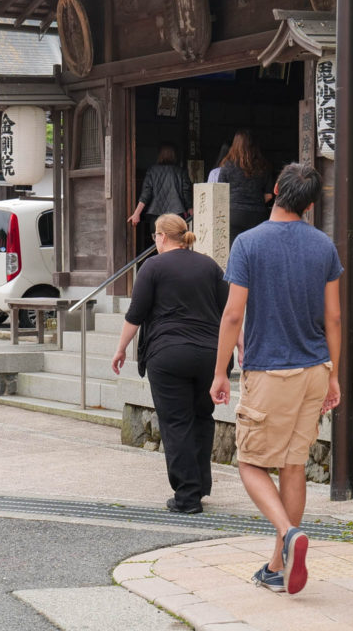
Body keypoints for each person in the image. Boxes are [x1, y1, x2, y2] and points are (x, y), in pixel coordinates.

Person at [210, 163, 342, 595]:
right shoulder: (324, 246)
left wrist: (220, 371)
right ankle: (276, 566)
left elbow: (233, 314)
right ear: (308, 204)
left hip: (270, 370)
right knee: (294, 464)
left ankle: (288, 534)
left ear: (274, 191)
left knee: (249, 462)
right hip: (315, 368)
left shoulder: (249, 243)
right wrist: (335, 375)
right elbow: (335, 317)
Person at [112, 213, 229, 514]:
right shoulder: (209, 266)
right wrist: (237, 350)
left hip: (168, 356)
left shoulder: (152, 267)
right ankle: (200, 485)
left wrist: (121, 348)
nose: (155, 240)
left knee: (177, 422)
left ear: (162, 237)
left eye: (154, 236)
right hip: (209, 355)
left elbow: (135, 314)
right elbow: (229, 313)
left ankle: (187, 497)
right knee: (202, 417)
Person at [216, 130, 273, 244]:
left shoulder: (226, 165)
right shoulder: (263, 166)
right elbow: (269, 195)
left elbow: (219, 193)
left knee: (234, 250)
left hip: (233, 214)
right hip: (257, 215)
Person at [128, 144, 193, 242]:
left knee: (159, 246)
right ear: (175, 156)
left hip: (156, 216)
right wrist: (190, 209)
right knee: (175, 245)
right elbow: (186, 192)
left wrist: (136, 213)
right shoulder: (181, 171)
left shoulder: (152, 171)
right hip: (176, 215)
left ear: (159, 155)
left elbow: (146, 193)